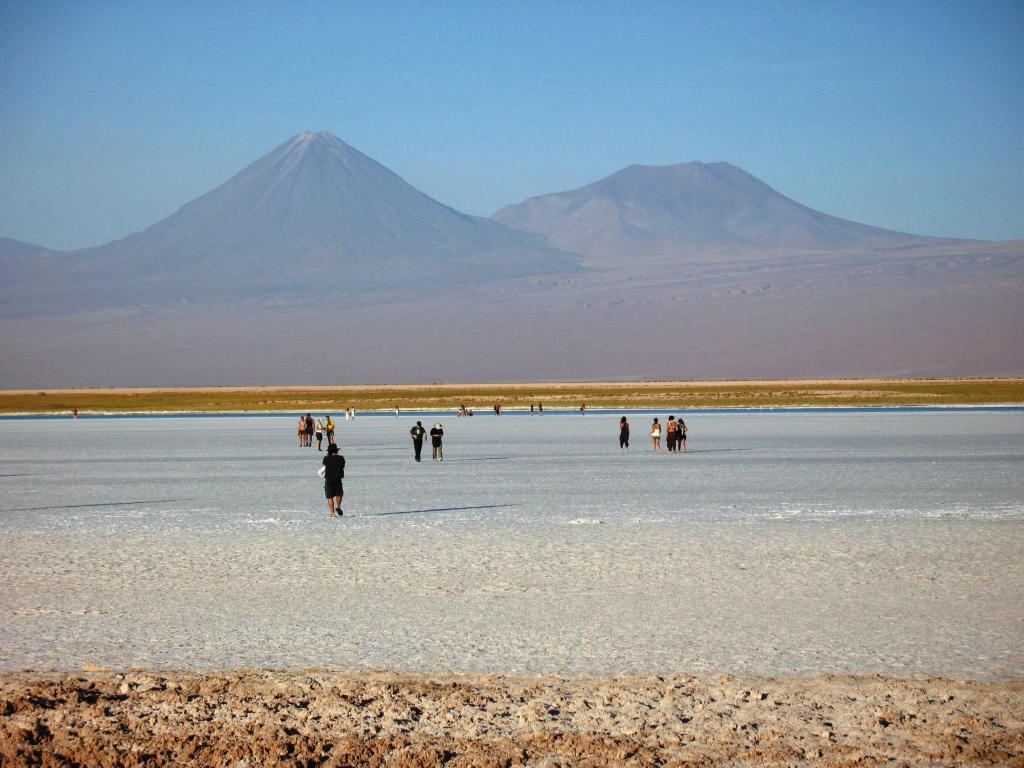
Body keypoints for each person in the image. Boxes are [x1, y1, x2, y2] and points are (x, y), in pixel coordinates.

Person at [321, 443, 345, 517]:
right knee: (339, 494)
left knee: (330, 496)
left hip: (329, 478)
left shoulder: (326, 458)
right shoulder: (341, 458)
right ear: (336, 450)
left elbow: (324, 466)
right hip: (338, 478)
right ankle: (338, 506)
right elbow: (343, 466)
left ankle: (333, 513)